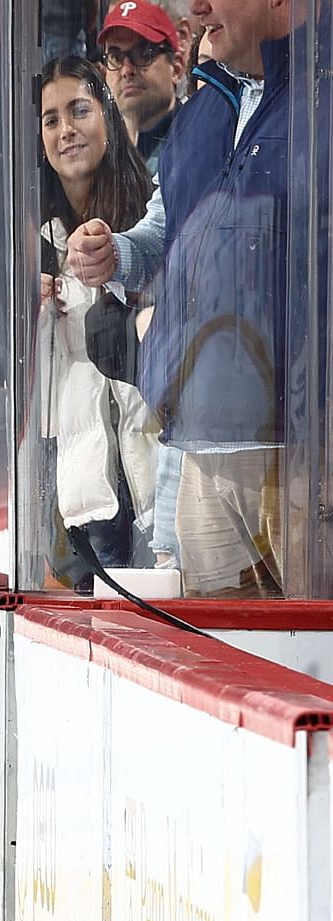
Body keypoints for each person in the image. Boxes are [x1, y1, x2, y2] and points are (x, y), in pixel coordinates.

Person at [65, 0, 306, 595]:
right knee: (219, 667)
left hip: (303, 452)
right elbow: (167, 230)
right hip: (199, 444)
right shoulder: (208, 104)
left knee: (306, 665)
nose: (195, 7)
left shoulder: (320, 96)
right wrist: (117, 253)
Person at [35, 56, 160, 591]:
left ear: (106, 114)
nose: (66, 130)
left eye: (79, 110)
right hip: (76, 483)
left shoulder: (150, 216)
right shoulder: (33, 236)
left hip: (152, 470)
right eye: (51, 119)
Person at [97, 1, 185, 170]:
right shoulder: (100, 151)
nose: (126, 70)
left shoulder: (197, 138)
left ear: (176, 68)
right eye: (115, 57)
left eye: (144, 54)